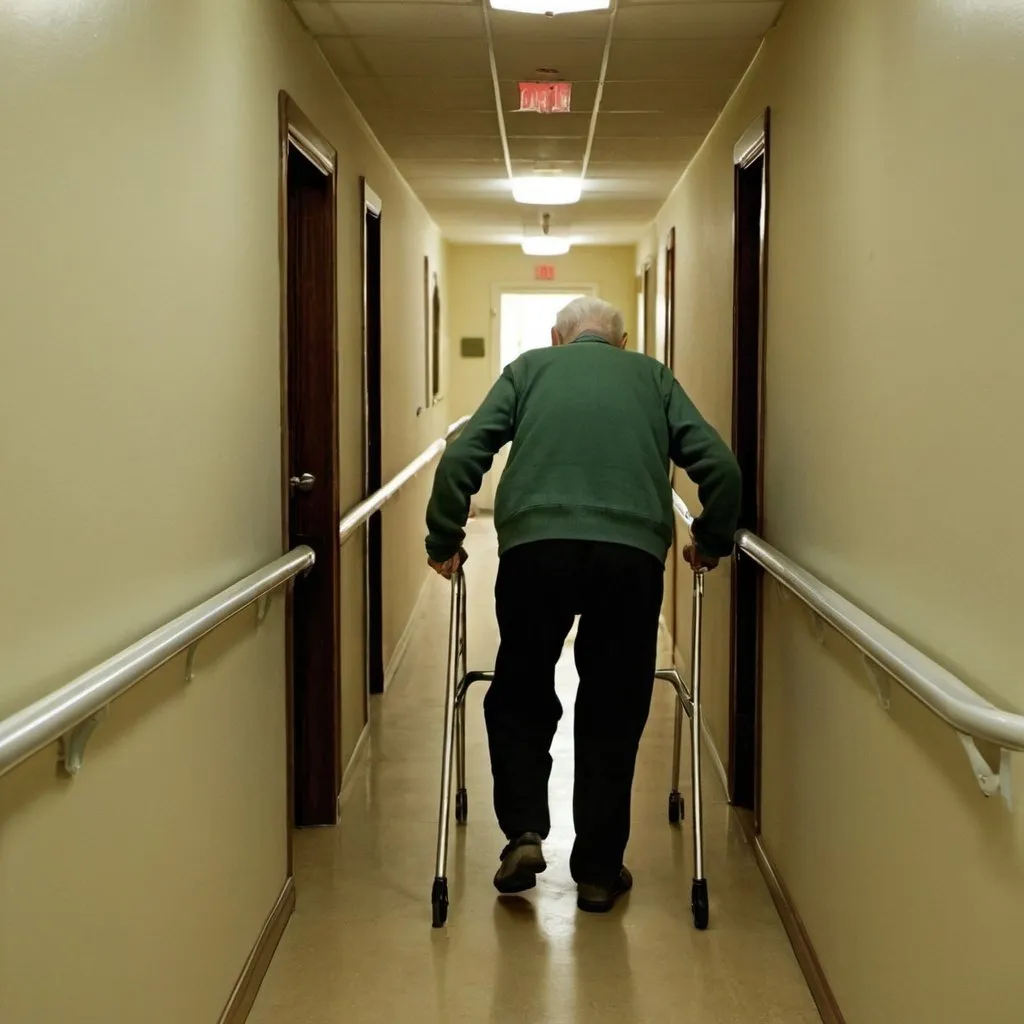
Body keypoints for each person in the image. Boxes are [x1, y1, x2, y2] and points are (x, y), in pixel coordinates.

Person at [424, 296, 741, 913]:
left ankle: (523, 832)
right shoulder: (652, 376)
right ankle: (597, 871)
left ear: (557, 337)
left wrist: (444, 539)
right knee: (614, 703)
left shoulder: (528, 369)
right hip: (631, 558)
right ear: (620, 343)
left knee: (519, 688)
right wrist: (710, 539)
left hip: (534, 552)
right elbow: (721, 470)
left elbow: (464, 455)